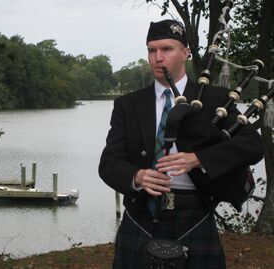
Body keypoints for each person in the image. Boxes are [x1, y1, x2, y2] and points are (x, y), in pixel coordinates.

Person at [98, 19, 263, 269]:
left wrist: (199, 158)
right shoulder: (127, 105)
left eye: (166, 49)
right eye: (152, 50)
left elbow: (253, 144)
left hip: (195, 212)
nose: (157, 57)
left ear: (185, 53)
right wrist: (138, 176)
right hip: (141, 211)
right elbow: (109, 163)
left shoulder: (215, 99)